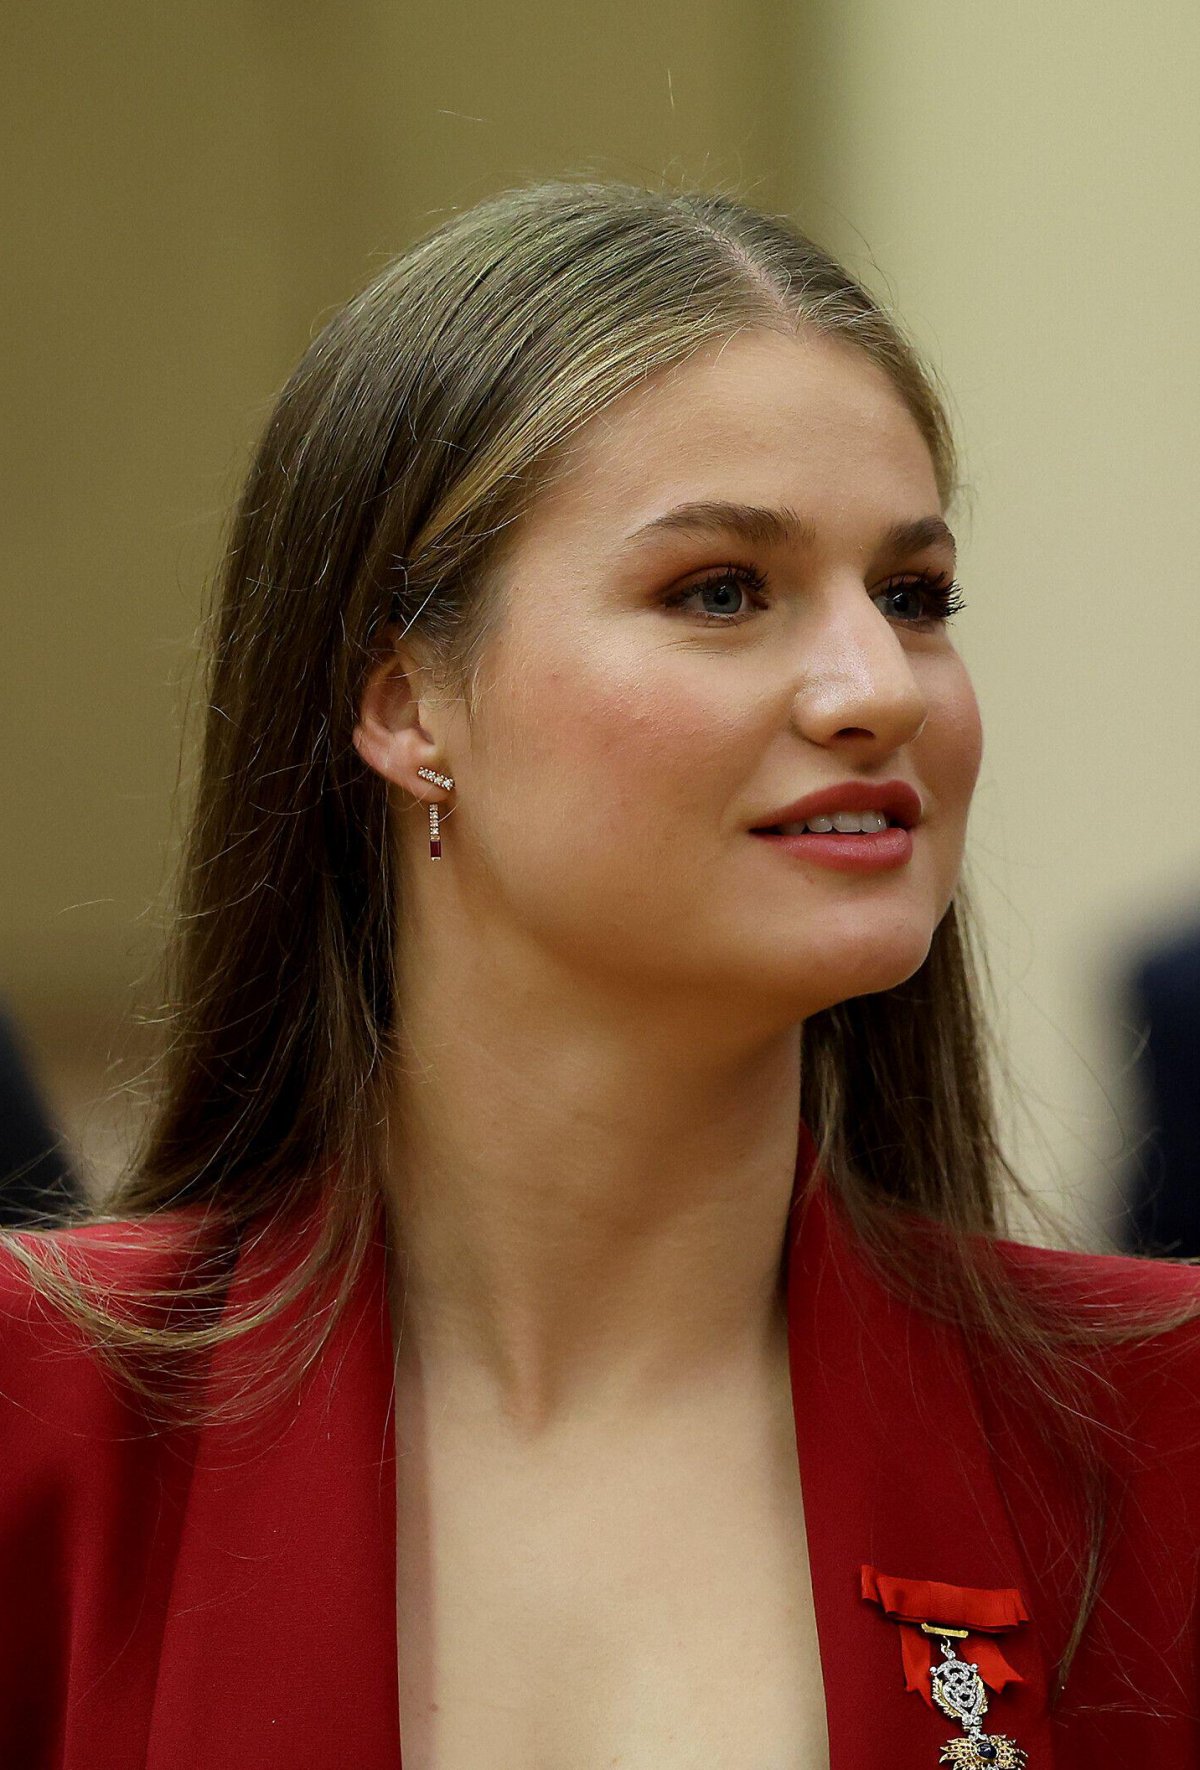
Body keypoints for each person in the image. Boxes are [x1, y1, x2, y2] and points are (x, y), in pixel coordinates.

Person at [1, 177, 1198, 1770]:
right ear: (407, 701)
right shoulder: (42, 1424)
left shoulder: (1162, 1425)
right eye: (720, 590)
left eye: (913, 597)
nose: (874, 688)